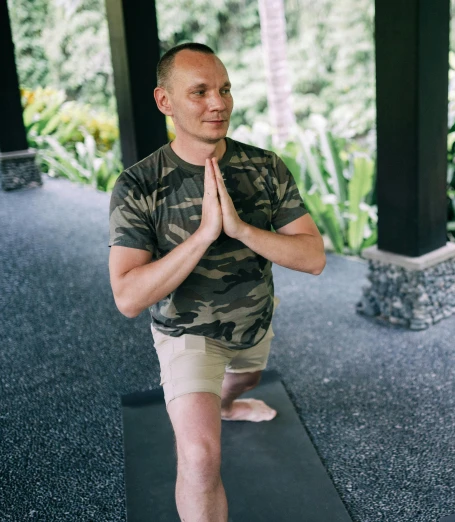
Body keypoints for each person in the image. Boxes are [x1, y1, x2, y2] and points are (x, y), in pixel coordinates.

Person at [107, 42, 325, 521]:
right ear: (165, 102)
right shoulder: (139, 185)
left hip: (254, 320)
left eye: (224, 89)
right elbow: (127, 296)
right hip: (187, 334)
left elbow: (313, 258)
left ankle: (226, 403)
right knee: (201, 457)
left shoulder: (265, 167)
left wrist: (242, 229)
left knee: (245, 377)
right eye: (200, 91)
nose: (218, 103)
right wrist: (204, 234)